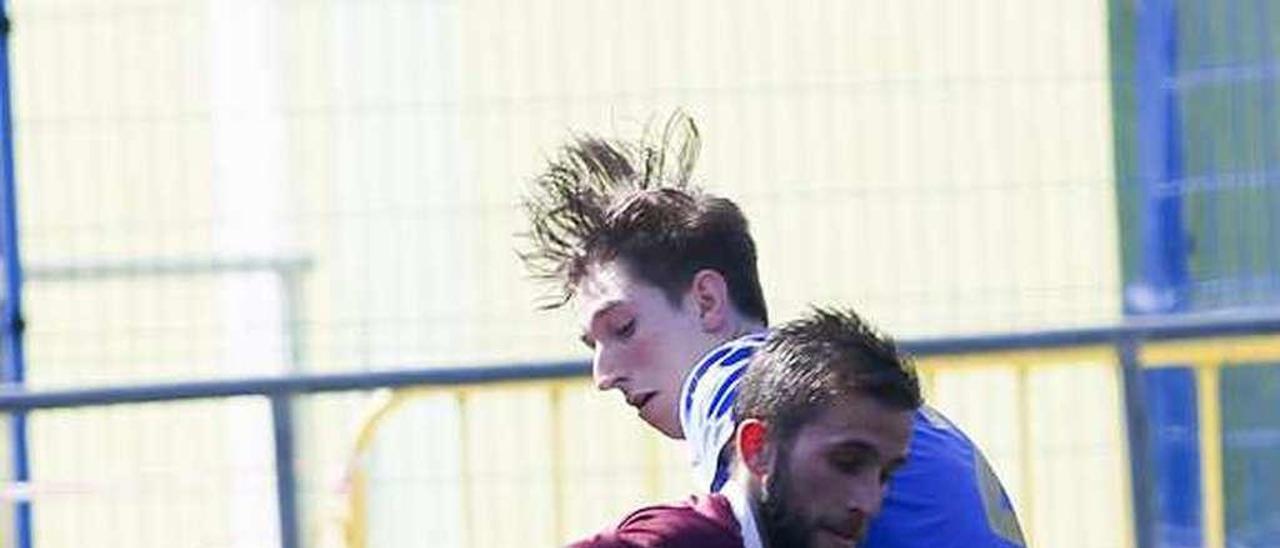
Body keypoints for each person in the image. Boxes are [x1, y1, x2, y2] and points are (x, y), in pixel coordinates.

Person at [521, 112, 1025, 546]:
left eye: (624, 327)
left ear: (706, 300)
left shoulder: (732, 383)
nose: (603, 374)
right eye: (594, 345)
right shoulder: (866, 405)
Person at [571, 307, 921, 547]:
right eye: (846, 462)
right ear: (758, 448)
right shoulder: (679, 539)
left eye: (885, 475)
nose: (869, 502)